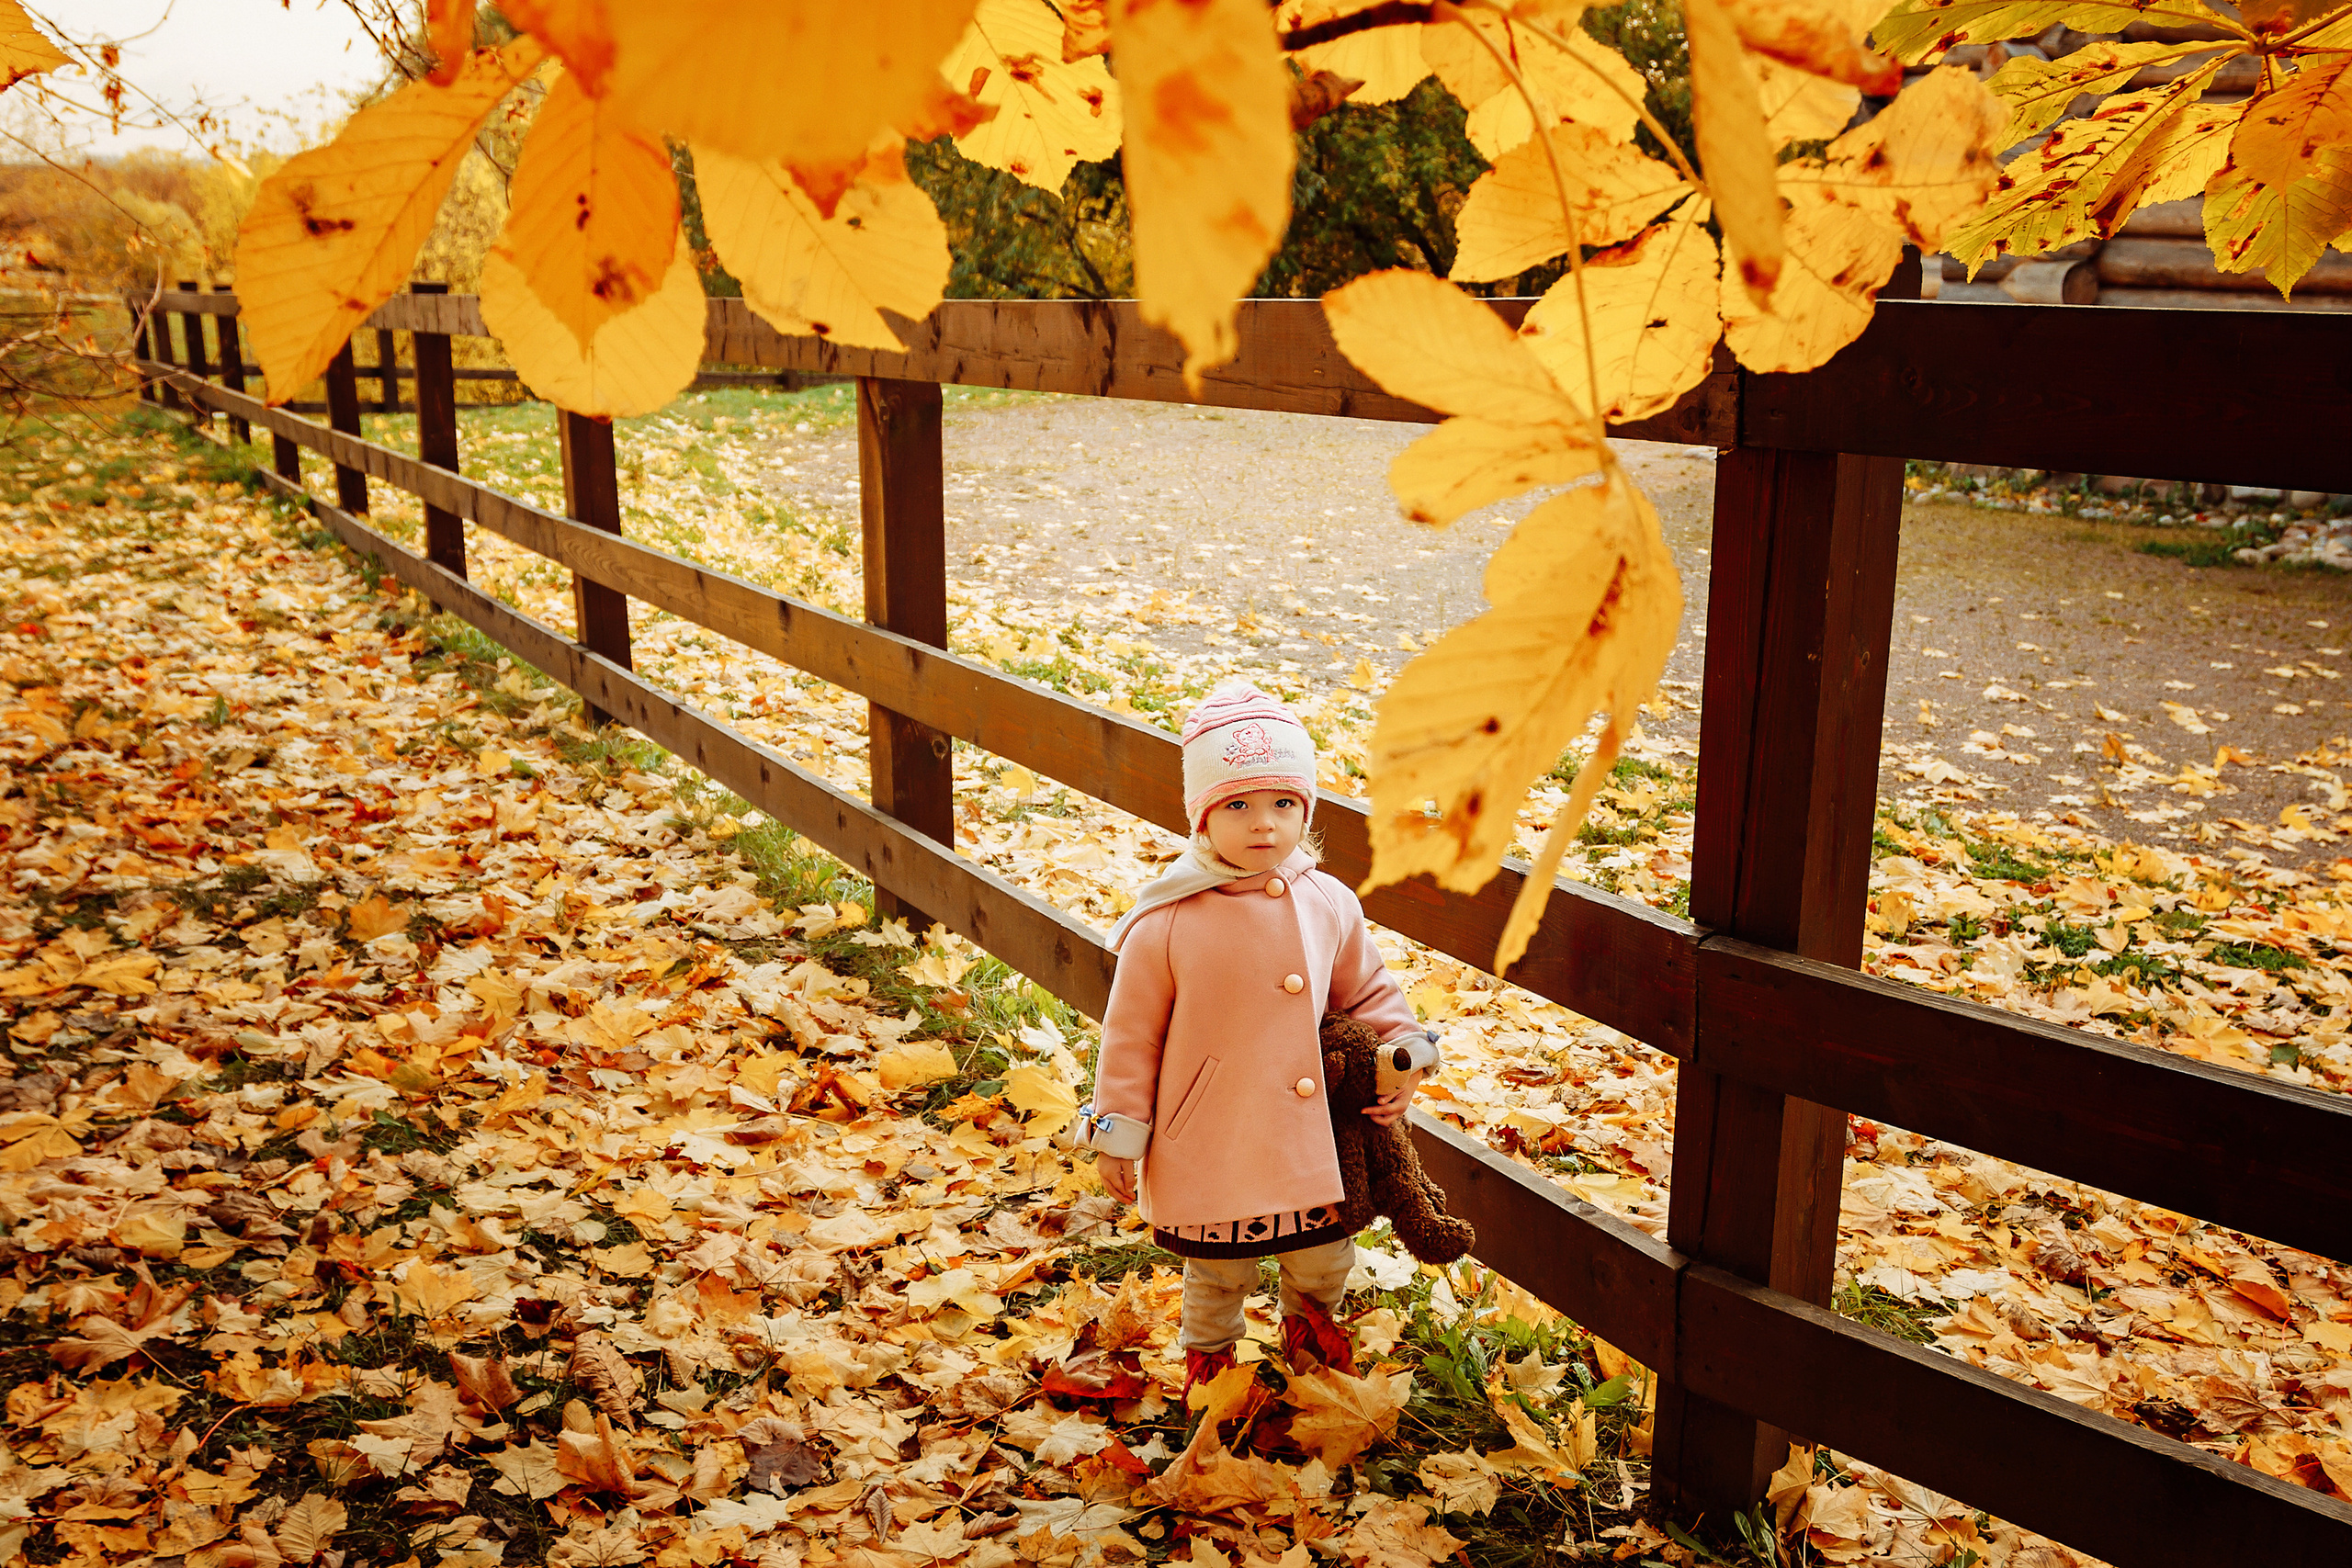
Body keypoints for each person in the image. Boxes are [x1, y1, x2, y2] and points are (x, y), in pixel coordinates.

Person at [1081, 681, 1433, 1395]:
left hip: (1313, 1137)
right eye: (1237, 805)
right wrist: (1122, 1133)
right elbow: (1131, 1036)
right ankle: (1210, 1369)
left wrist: (1403, 1057)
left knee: (1322, 1255)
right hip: (1215, 1134)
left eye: (1283, 804)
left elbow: (1367, 991)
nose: (1264, 824)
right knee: (1218, 1268)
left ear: (1305, 809)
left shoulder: (1330, 902)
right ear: (1203, 817)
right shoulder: (1167, 922)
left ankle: (1314, 1352)